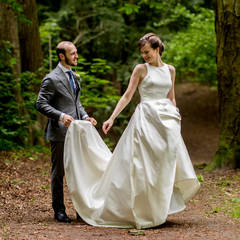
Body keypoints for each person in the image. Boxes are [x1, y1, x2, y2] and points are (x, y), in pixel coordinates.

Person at [63, 33, 200, 229]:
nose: (144, 56)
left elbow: (171, 97)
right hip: (146, 120)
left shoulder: (170, 70)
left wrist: (176, 118)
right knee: (143, 166)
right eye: (142, 53)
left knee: (164, 166)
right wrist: (111, 118)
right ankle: (140, 209)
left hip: (167, 123)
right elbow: (127, 96)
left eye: (147, 52)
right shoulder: (140, 69)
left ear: (157, 49)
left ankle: (159, 208)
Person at [36, 41, 97, 223]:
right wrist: (61, 116)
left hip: (78, 133)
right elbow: (40, 104)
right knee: (59, 172)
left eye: (76, 52)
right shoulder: (51, 79)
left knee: (79, 171)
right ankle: (59, 210)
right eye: (73, 53)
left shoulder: (75, 77)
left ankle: (81, 209)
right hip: (60, 133)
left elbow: (76, 103)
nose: (76, 56)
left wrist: (85, 116)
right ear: (62, 56)